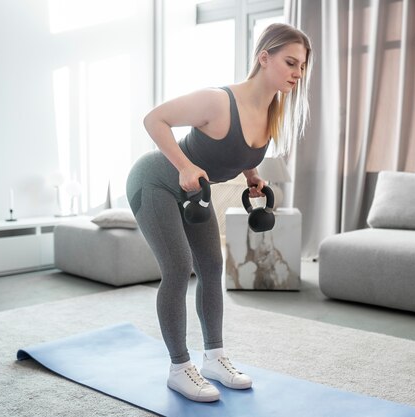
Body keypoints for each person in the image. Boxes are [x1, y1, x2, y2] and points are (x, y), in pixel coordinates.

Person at [126, 23, 312, 403]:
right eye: (291, 62)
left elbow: (238, 151)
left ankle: (214, 358)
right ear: (264, 57)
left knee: (211, 267)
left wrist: (253, 176)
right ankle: (179, 368)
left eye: (303, 66)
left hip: (198, 194)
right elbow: (154, 119)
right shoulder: (217, 100)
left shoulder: (269, 112)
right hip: (155, 182)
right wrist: (183, 166)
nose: (298, 73)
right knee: (178, 268)